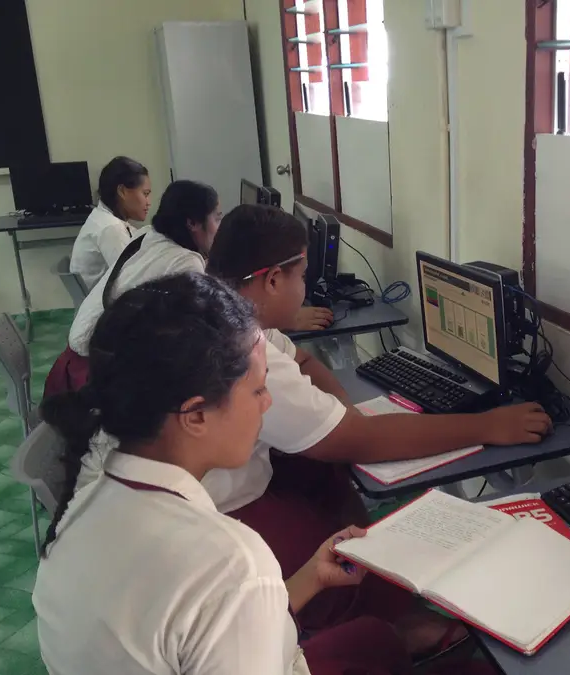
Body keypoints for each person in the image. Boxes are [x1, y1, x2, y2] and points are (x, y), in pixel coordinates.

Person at [33, 273, 418, 675]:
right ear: (196, 414)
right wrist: (259, 591)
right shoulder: (230, 561)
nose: (268, 403)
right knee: (382, 647)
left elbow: (195, 626)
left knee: (372, 640)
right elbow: (215, 601)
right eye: (257, 390)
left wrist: (307, 580)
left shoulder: (79, 510)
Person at [200, 205, 551, 635]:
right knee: (333, 496)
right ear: (272, 279)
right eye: (302, 276)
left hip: (216, 496)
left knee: (328, 473)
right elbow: (361, 439)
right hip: (225, 517)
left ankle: (378, 587)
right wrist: (490, 426)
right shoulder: (245, 347)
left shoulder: (222, 309)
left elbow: (306, 358)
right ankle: (401, 628)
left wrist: (341, 410)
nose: (305, 288)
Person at [42, 179, 223, 399]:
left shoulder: (147, 234)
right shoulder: (185, 261)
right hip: (93, 373)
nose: (219, 227)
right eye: (217, 218)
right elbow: (199, 325)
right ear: (193, 223)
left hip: (79, 354)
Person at [69, 156, 151, 289]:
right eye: (145, 194)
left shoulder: (102, 217)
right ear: (122, 191)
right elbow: (133, 280)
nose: (149, 202)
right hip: (106, 305)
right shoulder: (111, 228)